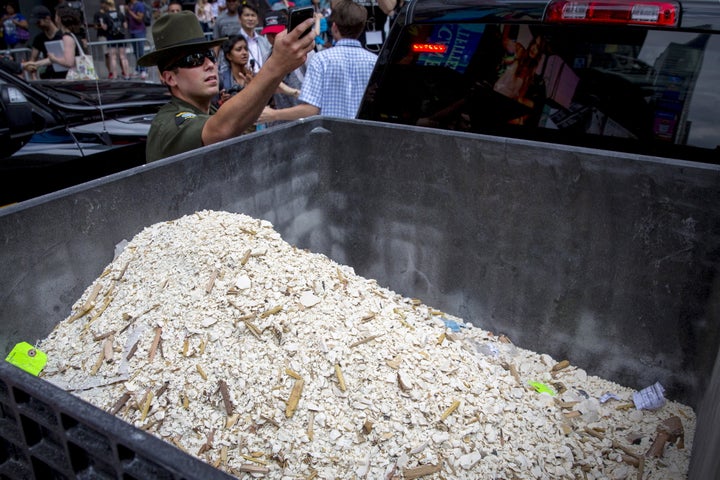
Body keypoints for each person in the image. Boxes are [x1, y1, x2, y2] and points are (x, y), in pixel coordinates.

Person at [138, 10, 314, 162]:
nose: (209, 65)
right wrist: (276, 65)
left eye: (210, 56)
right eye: (195, 59)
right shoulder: (169, 123)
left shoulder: (210, 112)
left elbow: (242, 117)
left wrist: (281, 68)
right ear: (169, 78)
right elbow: (220, 129)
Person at [258, 0, 377, 122]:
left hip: (330, 135)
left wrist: (274, 115)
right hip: (365, 135)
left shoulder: (321, 60)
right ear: (362, 28)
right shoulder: (374, 62)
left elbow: (311, 109)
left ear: (334, 27)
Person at [21, 5, 63, 79]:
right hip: (48, 76)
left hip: (65, 74)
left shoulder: (63, 36)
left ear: (47, 18)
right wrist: (33, 76)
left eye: (38, 22)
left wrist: (35, 64)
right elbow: (33, 59)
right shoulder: (39, 38)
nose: (37, 25)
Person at [45, 3, 86, 75]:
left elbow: (69, 62)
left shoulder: (67, 37)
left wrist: (54, 59)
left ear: (59, 19)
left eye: (55, 16)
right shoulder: (75, 35)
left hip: (73, 78)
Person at [239, 0, 271, 73]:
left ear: (257, 20)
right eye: (247, 15)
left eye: (253, 15)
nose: (250, 19)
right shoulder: (234, 41)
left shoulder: (264, 41)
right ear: (239, 19)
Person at [103, 0, 131, 79]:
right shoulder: (120, 14)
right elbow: (125, 26)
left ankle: (115, 75)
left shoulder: (106, 15)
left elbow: (105, 28)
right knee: (123, 56)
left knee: (113, 57)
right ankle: (127, 74)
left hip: (111, 37)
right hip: (121, 36)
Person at [126, 0, 148, 79]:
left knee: (140, 51)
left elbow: (139, 18)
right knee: (136, 52)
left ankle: (144, 70)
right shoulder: (130, 5)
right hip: (132, 31)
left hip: (139, 31)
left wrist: (129, 11)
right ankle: (138, 69)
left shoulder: (139, 5)